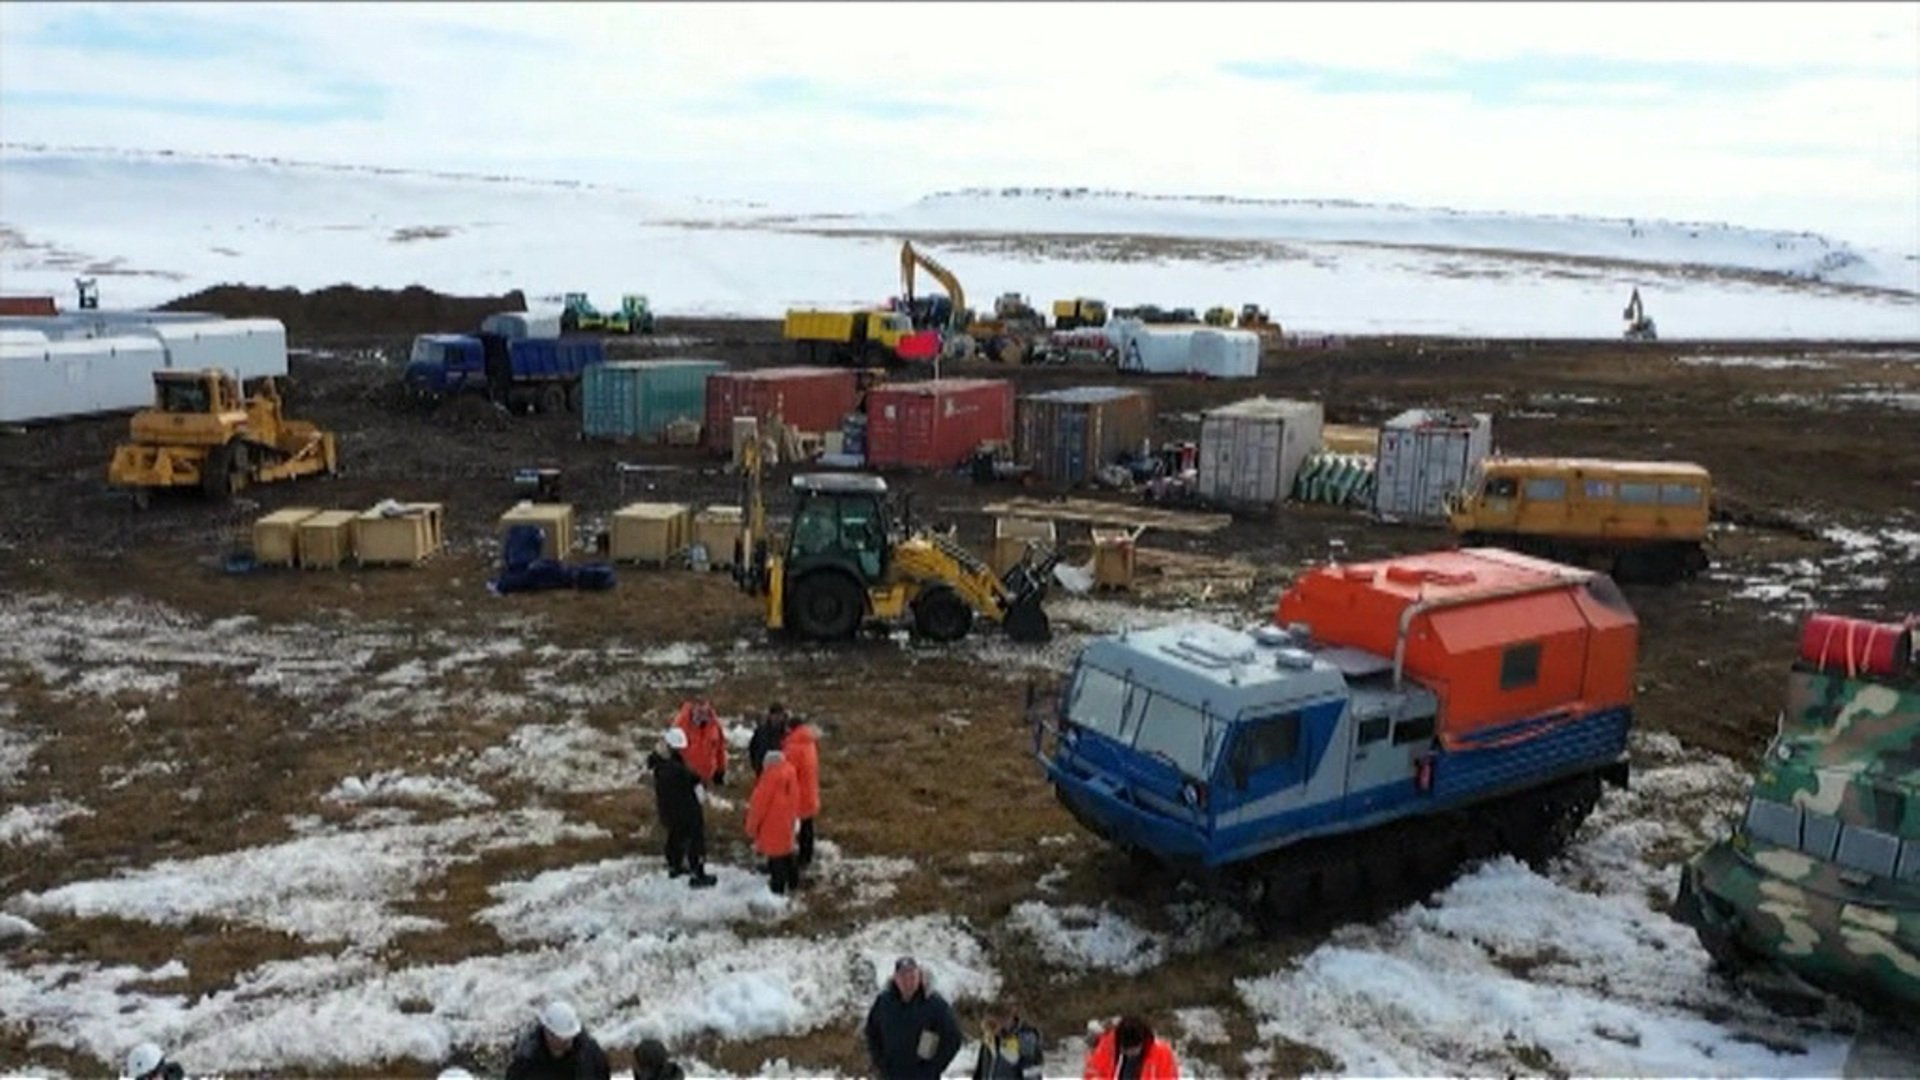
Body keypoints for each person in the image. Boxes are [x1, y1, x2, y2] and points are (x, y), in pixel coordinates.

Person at [864, 956, 963, 1080]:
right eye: (903, 977)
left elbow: (953, 1038)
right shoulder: (884, 1002)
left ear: (919, 976)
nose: (908, 982)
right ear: (895, 978)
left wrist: (934, 1068)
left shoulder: (934, 1004)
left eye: (912, 976)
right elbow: (871, 1033)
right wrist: (881, 1063)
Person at [647, 727, 715, 888]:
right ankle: (698, 873)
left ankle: (675, 866)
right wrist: (698, 782)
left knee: (676, 836)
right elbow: (688, 778)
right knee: (695, 839)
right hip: (685, 809)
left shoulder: (659, 763)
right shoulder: (674, 769)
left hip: (669, 810)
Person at [505, 1000, 613, 1080]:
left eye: (570, 1037)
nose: (568, 1042)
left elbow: (603, 1074)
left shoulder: (590, 1053)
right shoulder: (527, 1058)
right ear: (548, 1033)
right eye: (562, 1038)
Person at [745, 747, 800, 895]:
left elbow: (758, 807)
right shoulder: (790, 772)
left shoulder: (769, 779)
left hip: (772, 826)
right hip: (788, 822)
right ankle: (794, 883)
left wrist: (751, 829)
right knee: (788, 853)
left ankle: (778, 890)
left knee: (776, 859)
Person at [780, 713, 821, 878]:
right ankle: (807, 855)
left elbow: (786, 774)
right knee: (807, 826)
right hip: (810, 791)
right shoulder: (809, 743)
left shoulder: (793, 748)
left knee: (791, 828)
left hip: (797, 795)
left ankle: (796, 860)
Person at [1081, 1015, 1178, 1080]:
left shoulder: (1162, 1053)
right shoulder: (1106, 1048)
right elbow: (1092, 1074)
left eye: (1134, 1050)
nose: (1130, 1054)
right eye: (1126, 1050)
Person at [972, 1001, 1044, 1080]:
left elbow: (1032, 1075)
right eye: (986, 1025)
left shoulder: (1025, 1041)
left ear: (1007, 1021)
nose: (990, 1031)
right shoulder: (989, 1040)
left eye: (993, 1025)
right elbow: (980, 1071)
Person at [670, 699, 728, 788]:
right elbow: (671, 751)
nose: (702, 708)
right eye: (698, 704)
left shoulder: (715, 724)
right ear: (693, 705)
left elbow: (720, 749)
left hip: (706, 780)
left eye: (704, 704)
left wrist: (720, 771)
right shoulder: (681, 723)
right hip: (684, 779)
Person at [748, 702, 790, 777]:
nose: (777, 718)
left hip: (781, 775)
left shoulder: (787, 734)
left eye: (780, 715)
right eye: (775, 715)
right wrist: (756, 766)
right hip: (763, 772)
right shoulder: (761, 731)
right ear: (770, 715)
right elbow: (753, 748)